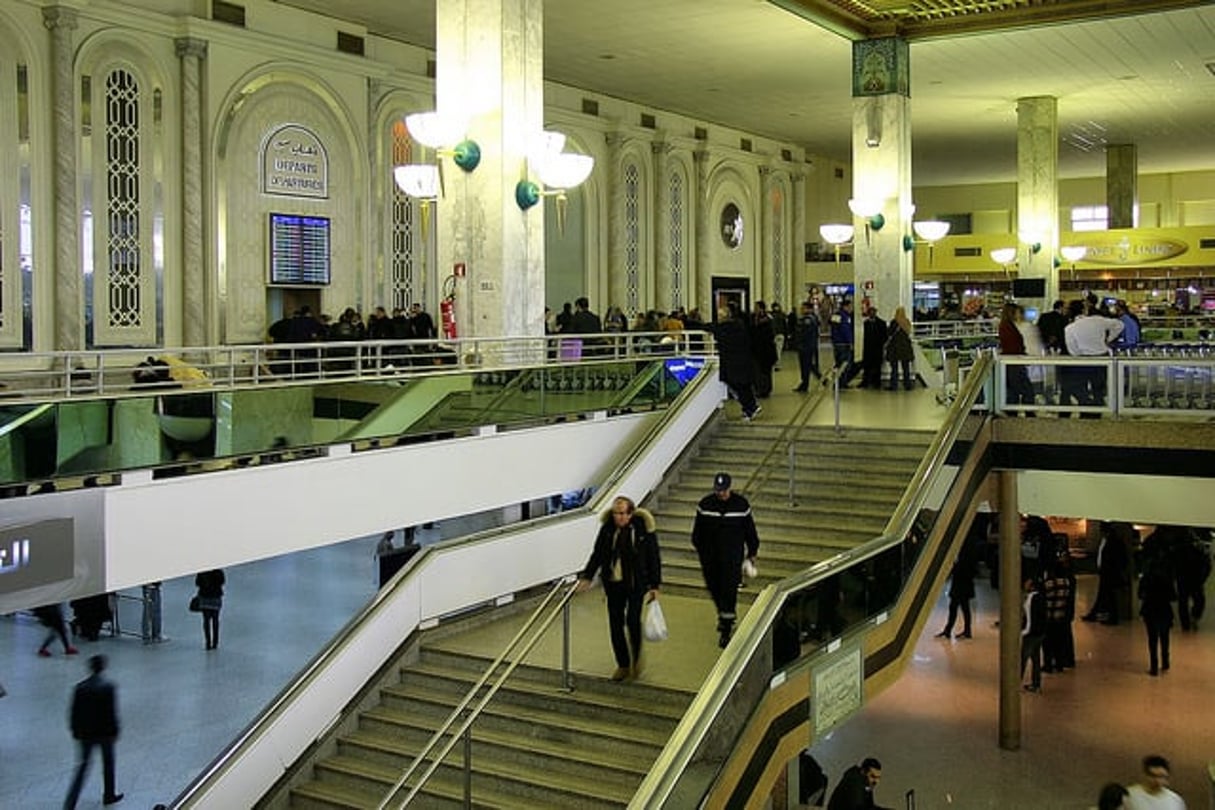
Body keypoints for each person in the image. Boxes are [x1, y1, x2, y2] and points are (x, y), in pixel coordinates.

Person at [575, 496, 662, 681]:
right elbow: (597, 554)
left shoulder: (642, 529)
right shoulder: (607, 530)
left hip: (636, 583)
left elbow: (654, 557)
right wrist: (587, 576)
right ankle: (622, 664)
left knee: (632, 620)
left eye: (623, 513)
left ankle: (636, 659)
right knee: (615, 625)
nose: (619, 517)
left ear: (631, 513)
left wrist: (655, 585)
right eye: (616, 513)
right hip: (614, 584)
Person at [692, 472, 760, 648]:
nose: (720, 493)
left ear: (730, 488)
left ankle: (726, 626)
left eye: (723, 490)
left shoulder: (741, 505)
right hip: (710, 557)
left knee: (729, 590)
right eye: (718, 490)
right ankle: (724, 614)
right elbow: (697, 532)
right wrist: (701, 550)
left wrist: (752, 551)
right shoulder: (705, 504)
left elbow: (749, 531)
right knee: (714, 588)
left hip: (731, 557)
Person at [64, 655, 123, 808]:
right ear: (103, 667)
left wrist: (75, 730)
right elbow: (111, 712)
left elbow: (74, 712)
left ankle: (70, 802)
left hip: (86, 734)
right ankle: (109, 794)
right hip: (104, 733)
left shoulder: (80, 687)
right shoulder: (108, 687)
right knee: (108, 764)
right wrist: (115, 731)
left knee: (82, 767)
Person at [712, 303, 761, 421]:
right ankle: (751, 407)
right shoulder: (739, 325)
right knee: (744, 386)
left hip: (732, 363)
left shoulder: (722, 328)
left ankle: (750, 408)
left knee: (738, 387)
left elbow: (709, 328)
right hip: (743, 361)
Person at [1137, 551, 1176, 676]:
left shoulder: (1146, 578)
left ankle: (1154, 666)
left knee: (1152, 639)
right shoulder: (1166, 579)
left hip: (1150, 610)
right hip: (1164, 610)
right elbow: (1173, 597)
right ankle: (1165, 662)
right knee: (1165, 637)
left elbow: (1140, 595)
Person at [935, 543, 976, 639]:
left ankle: (951, 630)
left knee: (957, 607)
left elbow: (965, 567)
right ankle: (961, 630)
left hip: (961, 583)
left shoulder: (965, 551)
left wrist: (954, 568)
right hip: (962, 583)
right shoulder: (966, 549)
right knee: (962, 607)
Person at [1020, 576, 1046, 693]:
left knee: (1023, 659)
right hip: (1040, 633)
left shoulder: (1031, 599)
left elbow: (1030, 618)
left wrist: (1025, 631)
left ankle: (1015, 682)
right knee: (1036, 659)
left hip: (1031, 634)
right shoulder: (1041, 597)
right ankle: (1036, 684)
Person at [792, 301, 821, 392]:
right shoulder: (810, 319)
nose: (801, 310)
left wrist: (799, 343)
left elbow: (804, 334)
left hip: (806, 346)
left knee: (807, 365)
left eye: (803, 308)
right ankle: (805, 383)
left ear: (809, 309)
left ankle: (807, 383)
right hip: (806, 345)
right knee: (807, 365)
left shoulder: (808, 320)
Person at [885, 306, 915, 391]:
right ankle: (907, 385)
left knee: (894, 368)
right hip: (905, 347)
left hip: (895, 348)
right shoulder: (907, 322)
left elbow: (889, 333)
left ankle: (894, 385)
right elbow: (909, 332)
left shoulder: (894, 322)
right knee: (906, 368)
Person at [194, 568, 226, 650]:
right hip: (216, 597)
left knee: (206, 621)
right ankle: (215, 642)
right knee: (215, 620)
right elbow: (222, 581)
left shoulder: (202, 570)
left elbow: (197, 583)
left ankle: (207, 642)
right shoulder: (218, 571)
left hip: (205, 597)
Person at [830, 299, 859, 386]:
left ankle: (837, 382)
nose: (851, 309)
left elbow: (833, 328)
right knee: (845, 365)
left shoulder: (835, 315)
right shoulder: (845, 316)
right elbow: (845, 330)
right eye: (850, 307)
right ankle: (842, 382)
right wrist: (850, 342)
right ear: (845, 307)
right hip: (844, 344)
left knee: (838, 364)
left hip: (836, 343)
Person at [857, 305, 887, 389]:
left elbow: (885, 336)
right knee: (867, 367)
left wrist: (881, 344)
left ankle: (876, 383)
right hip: (868, 349)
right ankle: (865, 382)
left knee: (877, 367)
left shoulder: (882, 323)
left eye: (873, 312)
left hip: (877, 349)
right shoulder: (866, 323)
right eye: (870, 312)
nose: (871, 314)